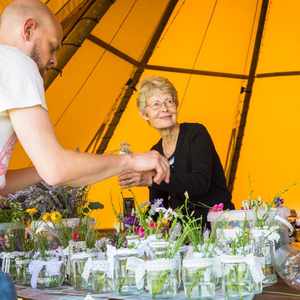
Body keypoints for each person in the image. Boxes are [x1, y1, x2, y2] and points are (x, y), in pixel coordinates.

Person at [0, 1, 169, 298]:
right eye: (52, 47)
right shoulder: (15, 63)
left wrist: (56, 168)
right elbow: (57, 169)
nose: (54, 60)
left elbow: (10, 182)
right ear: (29, 29)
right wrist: (129, 160)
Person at [119, 76, 234, 223]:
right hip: (184, 234)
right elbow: (159, 205)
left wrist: (151, 178)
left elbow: (200, 183)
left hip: (218, 226)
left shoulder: (196, 134)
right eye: (156, 104)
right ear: (144, 114)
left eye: (169, 101)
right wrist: (137, 224)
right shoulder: (155, 152)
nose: (165, 108)